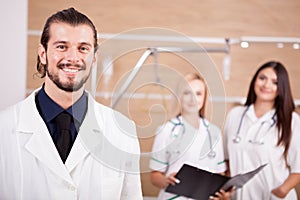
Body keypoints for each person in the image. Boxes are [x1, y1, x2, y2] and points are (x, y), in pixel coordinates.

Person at [0, 8, 142, 199]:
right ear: (43, 54)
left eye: (83, 48)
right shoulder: (4, 128)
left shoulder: (122, 131)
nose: (73, 58)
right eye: (61, 46)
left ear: (94, 58)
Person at [224, 61, 300, 199]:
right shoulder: (235, 115)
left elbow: (298, 167)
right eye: (262, 78)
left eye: (275, 82)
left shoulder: (291, 120)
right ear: (254, 80)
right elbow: (227, 161)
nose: (266, 85)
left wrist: (282, 191)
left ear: (281, 88)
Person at [149, 73, 233, 200]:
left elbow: (219, 174)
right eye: (187, 93)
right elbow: (155, 176)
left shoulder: (214, 133)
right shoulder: (166, 130)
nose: (193, 99)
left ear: (204, 98)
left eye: (198, 94)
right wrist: (166, 180)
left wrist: (223, 195)